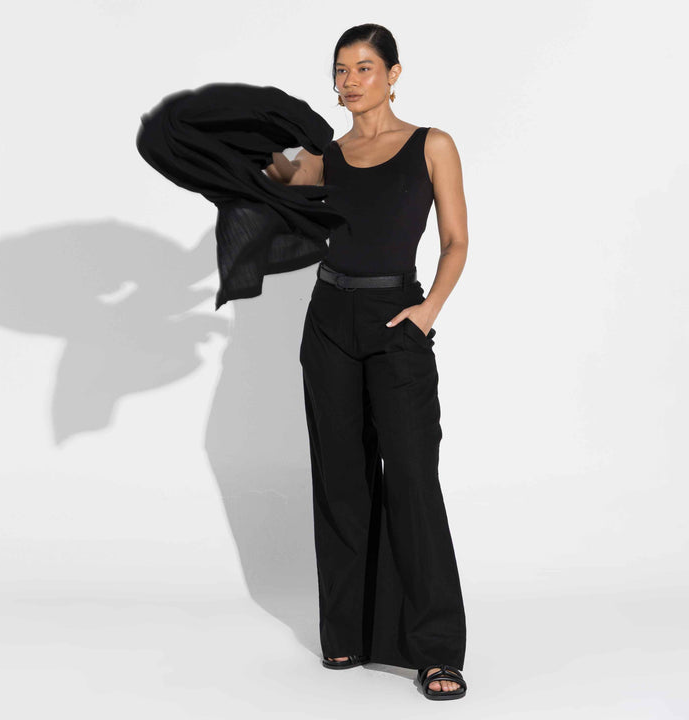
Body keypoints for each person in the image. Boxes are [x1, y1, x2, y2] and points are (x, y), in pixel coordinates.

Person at [266, 24, 469, 701]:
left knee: (412, 477)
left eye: (363, 68)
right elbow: (275, 177)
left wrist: (429, 310)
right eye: (340, 70)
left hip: (396, 318)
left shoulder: (431, 145)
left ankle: (436, 650)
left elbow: (456, 241)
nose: (350, 81)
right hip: (328, 319)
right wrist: (248, 138)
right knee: (341, 480)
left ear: (393, 74)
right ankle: (346, 632)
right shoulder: (327, 155)